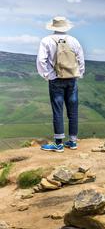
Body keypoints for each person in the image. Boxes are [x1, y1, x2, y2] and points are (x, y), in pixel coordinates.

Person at [36, 16, 85, 152]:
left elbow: (41, 61)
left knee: (58, 111)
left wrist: (49, 76)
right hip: (72, 79)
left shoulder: (46, 40)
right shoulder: (74, 41)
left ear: (53, 27)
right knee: (73, 111)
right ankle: (73, 142)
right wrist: (78, 74)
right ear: (65, 27)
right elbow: (80, 59)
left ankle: (58, 144)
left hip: (56, 79)